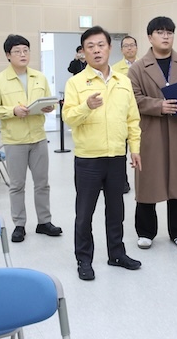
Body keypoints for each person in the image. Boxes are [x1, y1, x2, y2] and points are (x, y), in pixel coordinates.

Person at [62, 25, 142, 281]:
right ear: (83, 52)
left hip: (116, 155)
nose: (96, 50)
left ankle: (116, 253)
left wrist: (135, 148)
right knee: (85, 213)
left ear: (109, 48)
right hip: (88, 158)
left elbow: (132, 118)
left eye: (101, 45)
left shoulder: (123, 81)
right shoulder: (76, 83)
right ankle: (84, 259)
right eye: (90, 47)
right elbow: (68, 118)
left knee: (116, 210)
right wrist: (86, 106)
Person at [128, 16, 177, 250]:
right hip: (152, 132)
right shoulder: (138, 68)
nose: (165, 36)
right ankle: (146, 231)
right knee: (149, 182)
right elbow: (133, 99)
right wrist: (157, 106)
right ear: (150, 37)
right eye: (160, 32)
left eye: (169, 32)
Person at [0, 34, 62, 243]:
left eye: (26, 50)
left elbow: (48, 102)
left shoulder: (39, 77)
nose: (22, 54)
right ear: (8, 55)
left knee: (42, 183)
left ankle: (44, 221)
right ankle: (19, 225)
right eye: (17, 51)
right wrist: (12, 110)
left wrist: (48, 107)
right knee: (17, 185)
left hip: (38, 137)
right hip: (15, 140)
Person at [112, 35, 140, 193]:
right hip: (122, 114)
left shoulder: (144, 66)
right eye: (126, 46)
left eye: (132, 45)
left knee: (142, 149)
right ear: (121, 49)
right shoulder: (114, 69)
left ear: (136, 47)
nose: (129, 48)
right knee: (121, 150)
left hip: (142, 112)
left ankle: (144, 181)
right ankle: (123, 182)